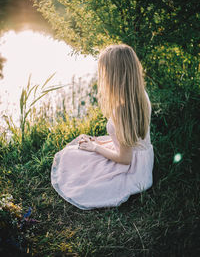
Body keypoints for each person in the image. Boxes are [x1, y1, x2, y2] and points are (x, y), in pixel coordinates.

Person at [51, 44, 154, 210]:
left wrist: (96, 148)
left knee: (76, 163)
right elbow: (128, 143)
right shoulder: (140, 94)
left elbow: (125, 158)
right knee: (76, 152)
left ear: (114, 75)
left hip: (132, 169)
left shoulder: (123, 109)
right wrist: (98, 144)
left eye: (104, 70)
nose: (102, 75)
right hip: (139, 156)